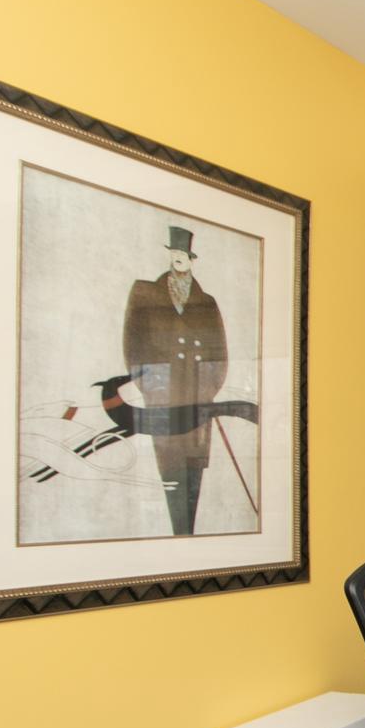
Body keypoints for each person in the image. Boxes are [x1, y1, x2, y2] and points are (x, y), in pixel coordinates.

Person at [122, 225, 228, 535]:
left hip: (197, 394)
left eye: (185, 254)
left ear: (192, 259)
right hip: (164, 394)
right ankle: (177, 535)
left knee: (194, 463)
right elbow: (133, 344)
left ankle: (187, 532)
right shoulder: (145, 292)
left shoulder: (206, 302)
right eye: (176, 253)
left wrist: (207, 391)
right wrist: (151, 386)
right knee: (168, 459)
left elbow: (218, 354)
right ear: (171, 255)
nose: (180, 258)